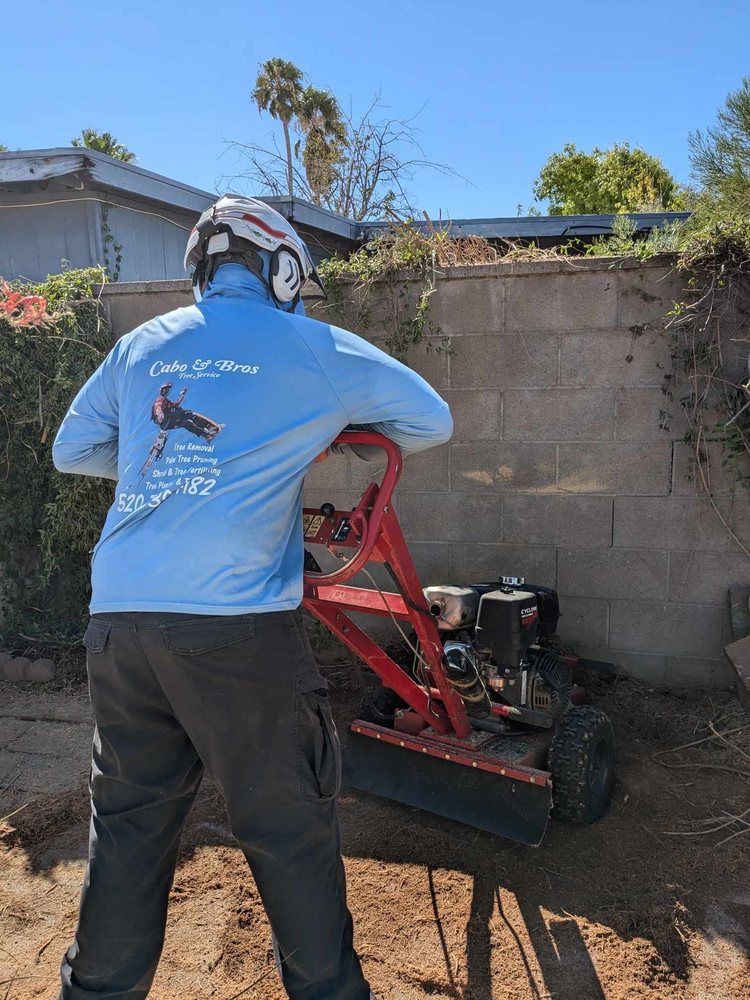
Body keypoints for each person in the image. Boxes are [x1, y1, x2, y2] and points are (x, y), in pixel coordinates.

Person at [53, 195, 453, 1000]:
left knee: (128, 832)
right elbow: (430, 421)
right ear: (283, 270)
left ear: (200, 268)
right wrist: (306, 432)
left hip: (120, 625)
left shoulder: (140, 346)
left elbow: (71, 451)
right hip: (237, 634)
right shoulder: (309, 345)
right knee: (287, 830)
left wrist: (161, 471)